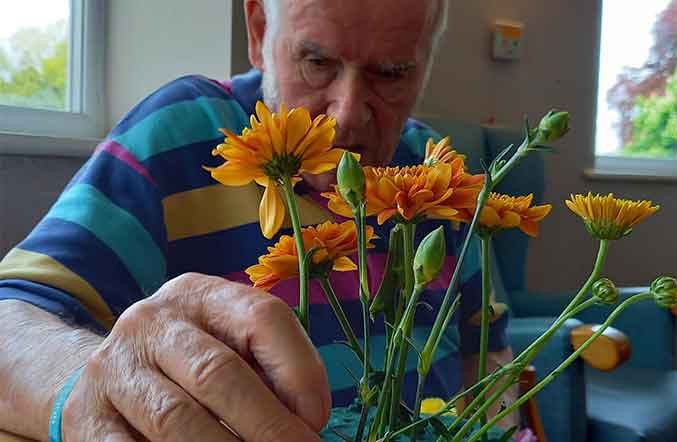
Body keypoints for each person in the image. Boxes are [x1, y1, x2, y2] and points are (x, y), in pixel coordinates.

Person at [0, 1, 515, 441]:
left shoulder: (440, 179)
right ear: (259, 30)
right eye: (317, 61)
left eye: (392, 73)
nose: (346, 115)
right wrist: (89, 385)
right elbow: (9, 321)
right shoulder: (178, 138)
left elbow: (488, 359)